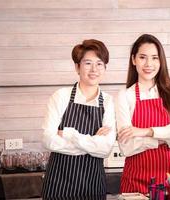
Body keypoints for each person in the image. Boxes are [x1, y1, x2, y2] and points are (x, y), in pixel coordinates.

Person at [41, 39, 116, 199]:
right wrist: (93, 142)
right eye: (88, 63)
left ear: (105, 68)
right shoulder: (60, 96)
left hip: (93, 186)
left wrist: (68, 135)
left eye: (99, 64)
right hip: (58, 186)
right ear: (77, 67)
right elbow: (48, 140)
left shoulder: (108, 102)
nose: (94, 69)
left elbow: (105, 149)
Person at [116, 34, 170, 194]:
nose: (149, 64)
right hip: (136, 180)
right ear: (133, 60)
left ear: (161, 61)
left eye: (155, 58)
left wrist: (146, 132)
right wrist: (165, 137)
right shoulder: (125, 96)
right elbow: (127, 146)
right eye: (142, 57)